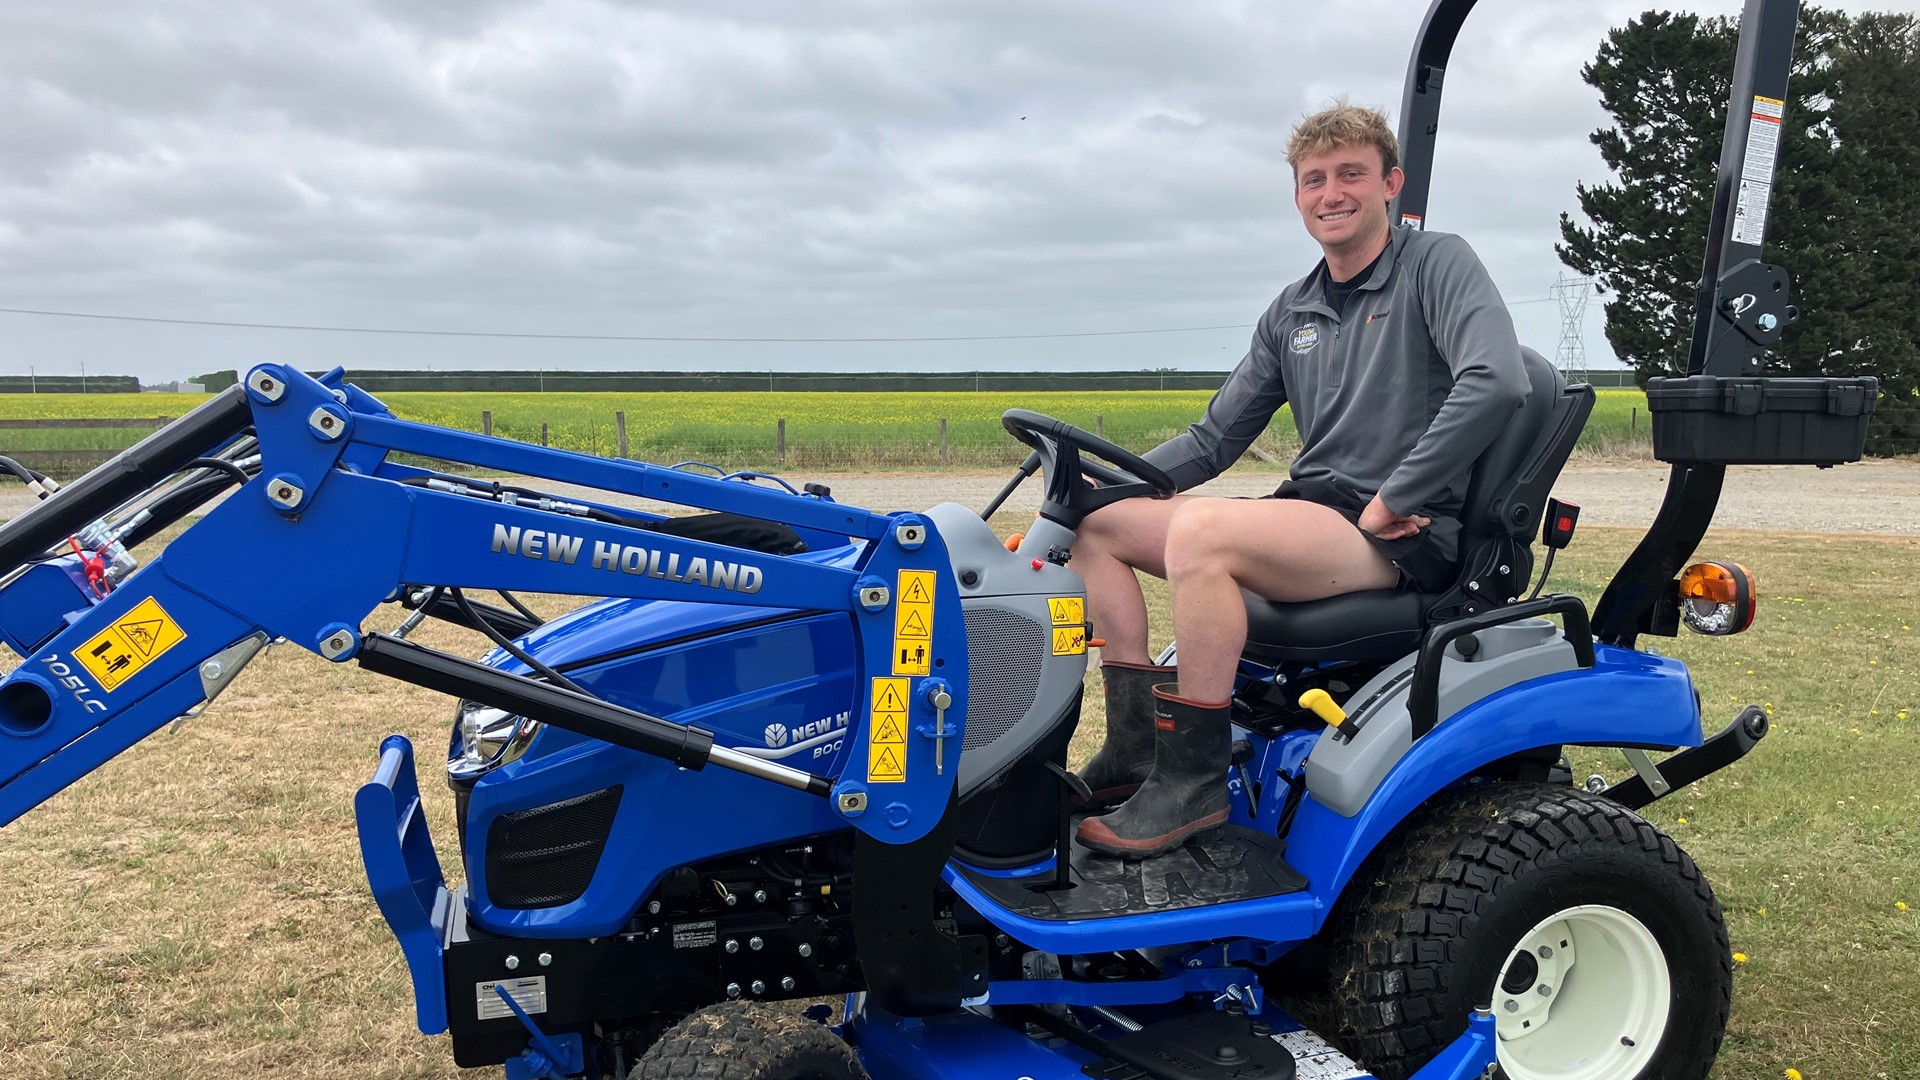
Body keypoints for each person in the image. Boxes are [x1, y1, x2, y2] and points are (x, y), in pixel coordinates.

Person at [1073, 102, 1530, 858]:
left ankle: (1191, 784)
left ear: (1391, 183)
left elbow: (1496, 380)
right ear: (1297, 198)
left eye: (1351, 174)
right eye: (1314, 179)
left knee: (1202, 534)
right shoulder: (1294, 309)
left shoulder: (1436, 265)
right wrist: (1101, 484)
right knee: (1101, 528)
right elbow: (1215, 438)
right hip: (1313, 515)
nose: (1332, 192)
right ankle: (1133, 751)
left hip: (1396, 533)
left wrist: (1396, 498)